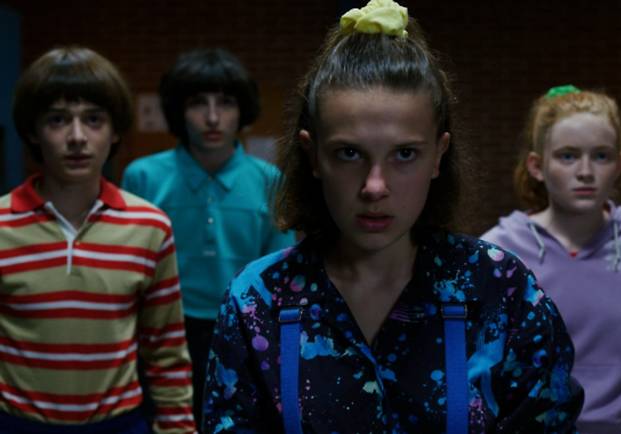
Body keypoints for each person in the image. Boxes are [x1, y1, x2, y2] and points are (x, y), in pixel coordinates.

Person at [203, 1, 583, 432]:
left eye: (404, 154)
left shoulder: (497, 290)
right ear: (313, 155)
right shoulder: (260, 301)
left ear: (438, 155)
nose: (374, 186)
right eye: (349, 153)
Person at [1, 47, 195, 433]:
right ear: (33, 131)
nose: (77, 137)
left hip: (119, 424)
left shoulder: (149, 227)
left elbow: (166, 352)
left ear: (115, 130)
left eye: (93, 119)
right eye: (57, 120)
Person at [121, 48, 295, 426]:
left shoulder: (270, 181)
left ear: (242, 109)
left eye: (226, 103)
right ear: (179, 111)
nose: (213, 117)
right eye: (198, 103)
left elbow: (279, 279)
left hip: (245, 330)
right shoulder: (143, 177)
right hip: (162, 334)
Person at [482, 85, 621, 433]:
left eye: (602, 156)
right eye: (567, 156)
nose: (586, 171)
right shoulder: (499, 252)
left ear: (620, 165)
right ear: (537, 166)